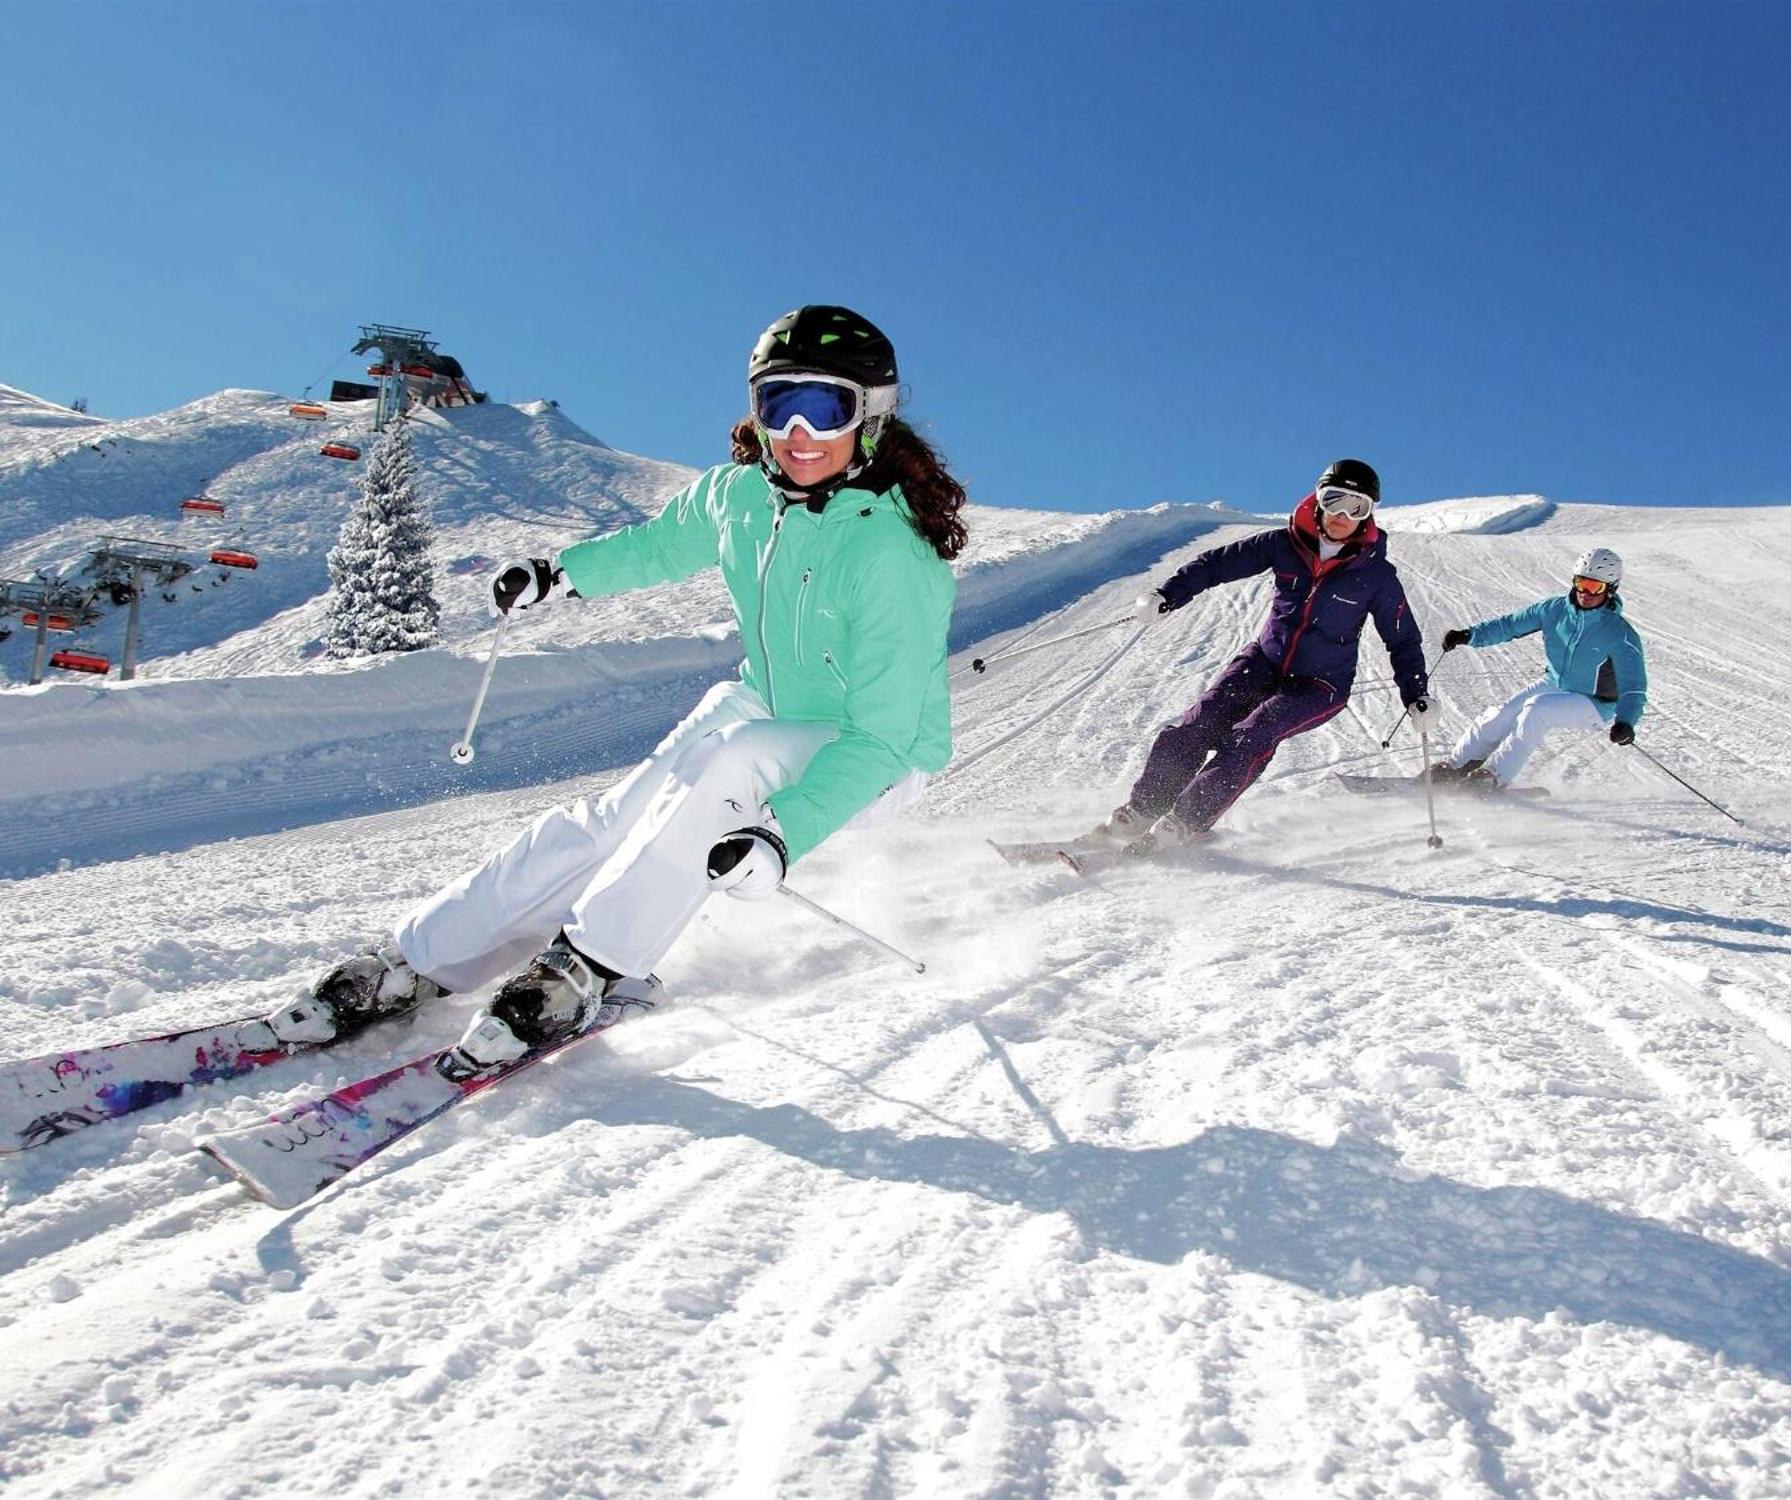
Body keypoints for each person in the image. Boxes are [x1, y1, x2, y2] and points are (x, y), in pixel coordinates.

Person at [262, 306, 965, 1067]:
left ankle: (594, 967)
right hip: (766, 701)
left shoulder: (892, 556)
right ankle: (419, 959)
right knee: (611, 820)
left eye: (824, 407)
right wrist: (559, 574)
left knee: (732, 763)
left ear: (870, 418)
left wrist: (782, 830)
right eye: (778, 404)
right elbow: (659, 546)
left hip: (875, 751)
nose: (799, 434)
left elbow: (884, 737)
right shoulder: (740, 495)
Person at [1098, 458, 1435, 852]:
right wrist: (1167, 595)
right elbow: (1216, 564)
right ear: (1319, 500)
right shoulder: (1285, 544)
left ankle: (1186, 822)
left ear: (1369, 515)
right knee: (1198, 723)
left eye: (1357, 507)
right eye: (1335, 500)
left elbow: (1403, 640)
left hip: (1320, 685)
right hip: (1264, 662)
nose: (1343, 515)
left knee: (1250, 737)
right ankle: (1141, 810)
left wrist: (1416, 696)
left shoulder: (1376, 575)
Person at [1431, 546, 1646, 790]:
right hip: (1554, 683)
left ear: (1610, 589)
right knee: (1502, 714)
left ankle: (1493, 777)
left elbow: (1634, 686)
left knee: (1537, 711)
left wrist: (1626, 721)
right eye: (1581, 582)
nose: (1585, 592)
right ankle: (1455, 766)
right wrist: (1469, 636)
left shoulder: (1619, 632)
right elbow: (1510, 625)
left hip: (1595, 702)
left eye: (1594, 587)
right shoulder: (1553, 610)